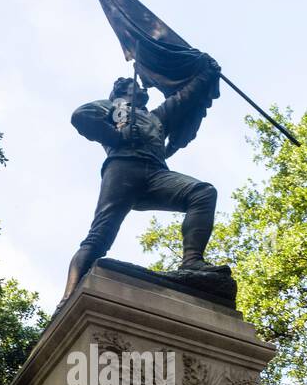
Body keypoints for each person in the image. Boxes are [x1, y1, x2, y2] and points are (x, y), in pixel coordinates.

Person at [61, 57, 221, 302]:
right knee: (99, 237)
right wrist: (115, 136)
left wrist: (207, 74)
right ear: (123, 90)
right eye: (137, 86)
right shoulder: (116, 109)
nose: (143, 88)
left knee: (203, 193)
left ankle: (192, 262)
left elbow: (182, 99)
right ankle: (68, 299)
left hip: (157, 174)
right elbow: (81, 116)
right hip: (123, 170)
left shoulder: (157, 117)